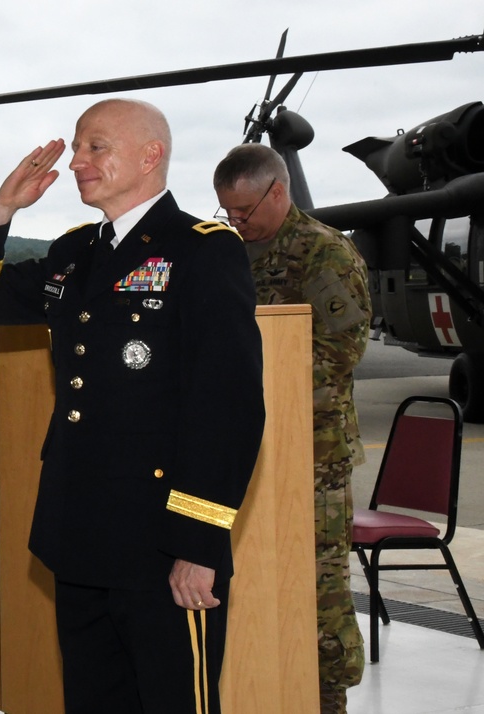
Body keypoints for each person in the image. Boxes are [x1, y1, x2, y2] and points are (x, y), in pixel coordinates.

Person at [0, 98, 265, 713]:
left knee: (176, 702)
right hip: (81, 533)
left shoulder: (202, 249)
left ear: (152, 155)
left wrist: (198, 545)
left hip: (162, 540)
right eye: (77, 146)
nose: (78, 162)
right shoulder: (75, 253)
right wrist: (2, 210)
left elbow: (227, 408)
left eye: (96, 147)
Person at [214, 143, 371, 714]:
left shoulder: (327, 255)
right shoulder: (231, 254)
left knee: (318, 591)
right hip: (245, 450)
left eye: (245, 212)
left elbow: (336, 355)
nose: (237, 223)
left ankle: (328, 702)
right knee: (255, 584)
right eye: (227, 213)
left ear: (277, 192)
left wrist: (248, 380)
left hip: (313, 457)